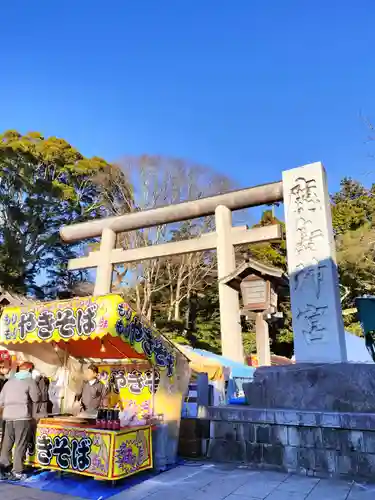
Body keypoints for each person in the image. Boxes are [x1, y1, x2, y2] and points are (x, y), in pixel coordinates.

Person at [0, 362, 41, 481]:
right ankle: (17, 471)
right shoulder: (29, 381)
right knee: (20, 444)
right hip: (22, 417)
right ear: (30, 370)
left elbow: (0, 401)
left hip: (8, 417)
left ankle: (3, 469)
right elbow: (36, 398)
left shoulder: (9, 382)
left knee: (7, 444)